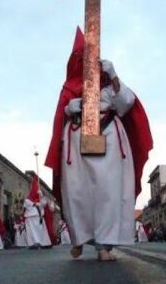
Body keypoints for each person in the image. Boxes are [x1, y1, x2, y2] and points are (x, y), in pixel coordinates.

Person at [45, 28, 152, 262]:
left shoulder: (110, 86)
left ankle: (104, 245)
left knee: (108, 192)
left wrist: (114, 76)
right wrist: (71, 109)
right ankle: (79, 239)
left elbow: (126, 104)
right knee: (77, 192)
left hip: (109, 140)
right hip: (76, 141)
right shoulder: (68, 90)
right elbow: (60, 120)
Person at [22, 176, 53, 249]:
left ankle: (43, 242)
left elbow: (44, 204)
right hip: (32, 216)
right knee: (33, 231)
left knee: (40, 230)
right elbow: (26, 204)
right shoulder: (29, 199)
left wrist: (41, 197)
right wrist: (36, 202)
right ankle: (35, 243)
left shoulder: (39, 198)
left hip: (38, 216)